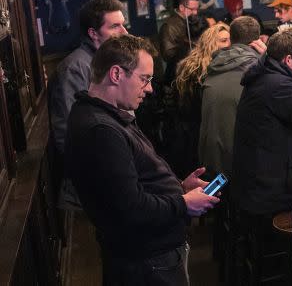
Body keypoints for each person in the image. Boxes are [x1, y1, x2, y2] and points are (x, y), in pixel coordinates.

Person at [65, 35, 219, 285]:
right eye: (144, 79)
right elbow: (131, 209)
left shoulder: (106, 115)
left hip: (150, 255)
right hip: (147, 262)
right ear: (116, 74)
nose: (149, 88)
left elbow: (132, 186)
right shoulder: (100, 130)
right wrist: (182, 203)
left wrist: (179, 188)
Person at [48, 0, 127, 209]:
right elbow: (68, 133)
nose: (125, 32)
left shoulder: (108, 61)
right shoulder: (74, 68)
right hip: (94, 186)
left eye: (123, 25)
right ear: (93, 33)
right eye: (115, 26)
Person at [232, 28, 292, 217]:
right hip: (269, 195)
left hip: (253, 185)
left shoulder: (266, 74)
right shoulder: (278, 85)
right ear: (288, 60)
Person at [198, 16, 265, 177]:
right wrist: (269, 58)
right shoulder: (259, 72)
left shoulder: (211, 69)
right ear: (257, 41)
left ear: (231, 39)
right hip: (245, 167)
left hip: (211, 164)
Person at [169, 22, 230, 177]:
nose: (228, 44)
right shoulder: (195, 70)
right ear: (211, 43)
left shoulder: (222, 66)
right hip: (194, 131)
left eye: (230, 40)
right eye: (223, 40)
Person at [159, 0, 202, 82]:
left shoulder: (191, 21)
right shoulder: (170, 26)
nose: (195, 13)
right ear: (182, 7)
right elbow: (168, 54)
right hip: (177, 75)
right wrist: (190, 46)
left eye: (196, 9)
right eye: (192, 9)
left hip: (191, 70)